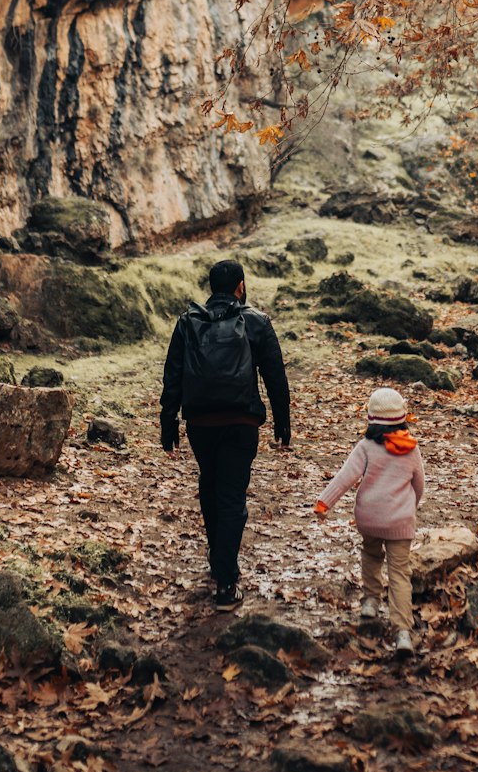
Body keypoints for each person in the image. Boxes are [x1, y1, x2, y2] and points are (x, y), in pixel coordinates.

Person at [161, 259, 291, 611]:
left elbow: (173, 375)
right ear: (240, 287)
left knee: (210, 484)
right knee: (232, 496)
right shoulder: (257, 321)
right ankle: (226, 582)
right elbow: (276, 377)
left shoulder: (188, 322)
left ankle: (218, 557)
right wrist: (283, 423)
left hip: (200, 424)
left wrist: (168, 422)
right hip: (241, 423)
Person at [314, 386, 425, 656]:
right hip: (400, 521)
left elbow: (345, 477)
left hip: (370, 518)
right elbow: (419, 484)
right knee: (399, 573)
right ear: (402, 417)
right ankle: (402, 633)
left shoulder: (365, 447)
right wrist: (410, 506)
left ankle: (370, 602)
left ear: (370, 418)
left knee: (371, 555)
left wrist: (323, 502)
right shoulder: (411, 449)